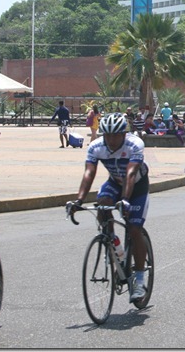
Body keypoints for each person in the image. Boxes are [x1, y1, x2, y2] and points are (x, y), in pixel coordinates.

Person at [67, 113, 150, 302]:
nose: (111, 140)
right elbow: (89, 173)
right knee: (102, 205)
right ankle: (113, 245)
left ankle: (139, 279)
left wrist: (125, 200)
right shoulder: (96, 146)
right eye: (108, 136)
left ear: (124, 134)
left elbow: (131, 173)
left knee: (134, 229)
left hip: (137, 186)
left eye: (116, 135)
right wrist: (78, 200)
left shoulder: (134, 145)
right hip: (114, 182)